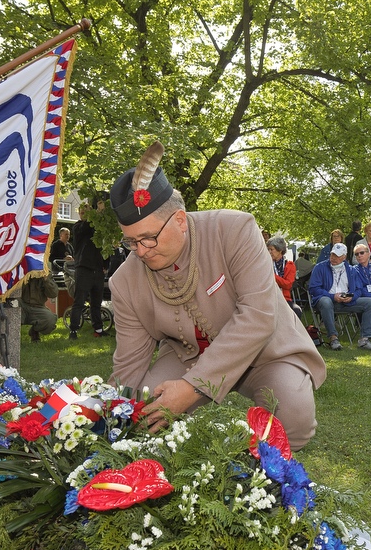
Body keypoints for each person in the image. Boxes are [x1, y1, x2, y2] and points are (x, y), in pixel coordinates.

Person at [107, 143, 326, 450]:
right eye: (131, 242)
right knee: (145, 417)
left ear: (180, 220)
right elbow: (129, 363)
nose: (141, 251)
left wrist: (192, 388)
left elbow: (258, 317)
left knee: (292, 418)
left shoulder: (235, 229)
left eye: (149, 237)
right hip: (187, 355)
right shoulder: (124, 282)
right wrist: (112, 411)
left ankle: (261, 481)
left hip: (265, 353)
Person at [308, 243, 371, 351]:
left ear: (344, 257)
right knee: (326, 301)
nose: (333, 258)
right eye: (332, 255)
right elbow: (313, 288)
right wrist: (332, 296)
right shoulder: (320, 267)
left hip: (347, 301)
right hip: (326, 301)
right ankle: (333, 338)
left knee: (370, 302)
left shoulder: (351, 270)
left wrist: (352, 296)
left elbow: (359, 289)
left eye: (337, 256)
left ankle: (365, 339)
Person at [69, 200, 107, 339]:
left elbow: (103, 246)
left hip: (97, 270)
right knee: (79, 301)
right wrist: (97, 212)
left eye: (86, 211)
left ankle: (98, 329)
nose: (84, 214)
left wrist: (105, 266)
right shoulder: (78, 227)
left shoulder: (96, 228)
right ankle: (73, 330)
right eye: (82, 212)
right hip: (84, 269)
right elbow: (85, 227)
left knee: (96, 303)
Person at [267, 236, 299, 316]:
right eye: (268, 249)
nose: (269, 252)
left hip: (284, 298)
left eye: (272, 249)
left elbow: (288, 285)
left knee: (297, 310)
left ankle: (292, 329)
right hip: (268, 298)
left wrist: (272, 275)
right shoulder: (266, 264)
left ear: (280, 250)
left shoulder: (290, 265)